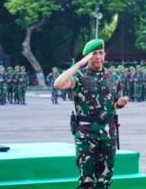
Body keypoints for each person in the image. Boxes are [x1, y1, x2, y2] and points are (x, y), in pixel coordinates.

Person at [53, 39, 129, 189]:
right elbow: (58, 84)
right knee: (86, 179)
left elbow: (112, 104)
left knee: (105, 178)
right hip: (87, 133)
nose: (98, 57)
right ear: (87, 57)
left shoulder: (114, 78)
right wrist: (79, 64)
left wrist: (119, 104)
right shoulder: (79, 77)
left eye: (101, 53)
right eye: (94, 54)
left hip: (108, 132)